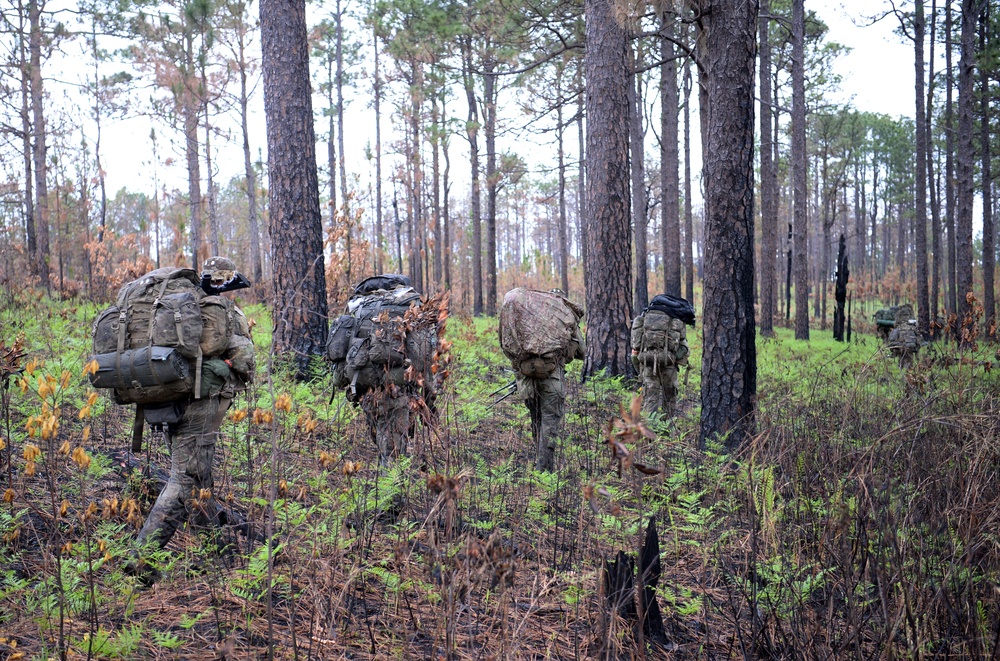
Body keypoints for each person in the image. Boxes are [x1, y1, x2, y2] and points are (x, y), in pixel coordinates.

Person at [127, 257, 255, 581]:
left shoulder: (182, 309)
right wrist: (229, 363)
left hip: (172, 398)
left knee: (199, 478)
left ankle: (214, 555)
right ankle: (140, 563)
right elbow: (245, 359)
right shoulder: (219, 309)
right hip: (199, 404)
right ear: (226, 284)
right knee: (185, 480)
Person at [326, 275, 438, 464]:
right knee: (393, 444)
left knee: (380, 429)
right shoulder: (408, 306)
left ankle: (385, 474)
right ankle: (392, 484)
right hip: (395, 384)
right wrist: (429, 402)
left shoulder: (360, 307)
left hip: (362, 381)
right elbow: (423, 359)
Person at [499, 288, 585, 472]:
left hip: (526, 379)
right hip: (551, 379)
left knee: (536, 418)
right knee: (550, 421)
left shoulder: (526, 317)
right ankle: (545, 468)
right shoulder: (565, 318)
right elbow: (583, 352)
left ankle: (539, 461)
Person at [630, 294, 693, 417]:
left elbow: (635, 349)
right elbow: (684, 348)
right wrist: (673, 358)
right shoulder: (676, 321)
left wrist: (640, 370)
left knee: (650, 399)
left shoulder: (642, 320)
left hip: (647, 365)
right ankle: (667, 431)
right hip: (669, 366)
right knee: (669, 399)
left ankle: (650, 430)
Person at [887, 303, 919, 368]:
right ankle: (908, 374)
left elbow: (892, 339)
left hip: (901, 346)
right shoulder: (912, 328)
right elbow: (918, 340)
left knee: (901, 361)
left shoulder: (898, 328)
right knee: (909, 362)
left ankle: (902, 374)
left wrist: (893, 350)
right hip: (911, 347)